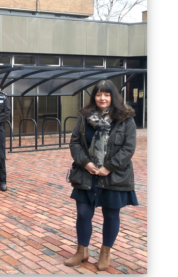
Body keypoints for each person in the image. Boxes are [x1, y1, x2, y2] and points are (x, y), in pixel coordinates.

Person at [65, 80, 139, 271]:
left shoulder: (126, 118)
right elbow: (75, 142)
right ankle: (82, 251)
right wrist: (86, 163)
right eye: (99, 94)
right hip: (86, 173)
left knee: (111, 215)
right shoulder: (84, 116)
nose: (102, 98)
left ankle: (105, 254)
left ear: (113, 97)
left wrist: (108, 167)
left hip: (113, 175)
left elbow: (128, 148)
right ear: (94, 97)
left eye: (106, 94)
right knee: (83, 214)